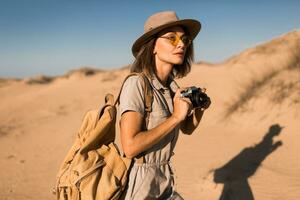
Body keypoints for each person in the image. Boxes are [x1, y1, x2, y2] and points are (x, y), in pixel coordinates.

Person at [119, 11, 211, 199]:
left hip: (165, 177)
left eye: (185, 39)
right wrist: (176, 116)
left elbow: (187, 129)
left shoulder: (172, 87)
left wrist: (198, 109)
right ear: (153, 45)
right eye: (171, 38)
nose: (181, 44)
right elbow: (130, 147)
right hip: (140, 183)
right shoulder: (137, 84)